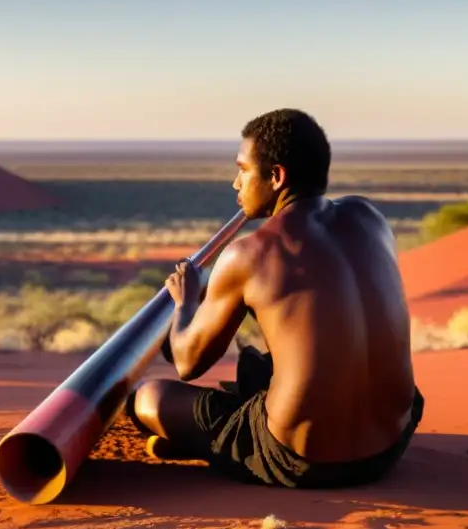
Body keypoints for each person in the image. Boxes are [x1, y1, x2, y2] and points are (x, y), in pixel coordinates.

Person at [125, 109, 424, 488]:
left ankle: (210, 448)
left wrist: (185, 304)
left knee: (148, 399)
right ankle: (213, 441)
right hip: (389, 448)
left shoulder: (247, 255)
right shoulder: (369, 218)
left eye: (243, 170)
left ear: (276, 176)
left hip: (300, 460)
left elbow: (186, 362)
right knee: (270, 365)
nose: (236, 183)